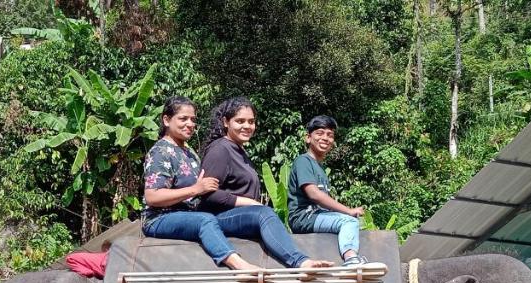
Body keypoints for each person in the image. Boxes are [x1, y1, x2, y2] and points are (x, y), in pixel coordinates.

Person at [141, 96, 331, 271]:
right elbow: (152, 196)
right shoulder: (161, 151)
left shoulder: (188, 152)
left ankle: (299, 260)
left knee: (213, 218)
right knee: (206, 220)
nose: (190, 124)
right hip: (161, 217)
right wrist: (196, 189)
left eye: (193, 119)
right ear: (166, 120)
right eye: (183, 119)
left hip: (187, 216)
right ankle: (239, 265)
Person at [287, 115, 367, 266]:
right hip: (304, 217)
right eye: (320, 133)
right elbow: (314, 194)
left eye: (330, 135)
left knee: (352, 221)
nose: (325, 138)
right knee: (348, 220)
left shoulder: (320, 168)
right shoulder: (303, 161)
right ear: (308, 138)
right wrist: (348, 210)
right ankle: (351, 260)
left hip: (316, 215)